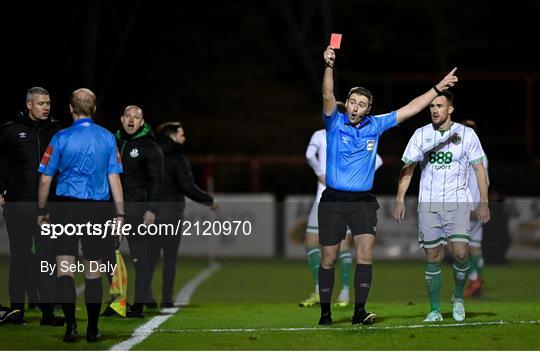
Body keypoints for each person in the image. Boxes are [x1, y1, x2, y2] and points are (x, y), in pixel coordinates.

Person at [318, 45, 458, 326]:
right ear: (347, 103)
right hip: (333, 200)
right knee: (329, 259)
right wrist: (329, 65)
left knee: (366, 254)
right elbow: (327, 94)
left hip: (363, 202)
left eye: (361, 104)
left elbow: (412, 108)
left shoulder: (376, 125)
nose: (356, 107)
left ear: (369, 109)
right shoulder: (334, 123)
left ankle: (359, 312)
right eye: (353, 102)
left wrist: (437, 88)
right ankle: (325, 313)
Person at [393, 91, 490, 322]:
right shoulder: (421, 134)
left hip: (457, 204)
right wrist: (399, 199)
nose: (435, 110)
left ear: (450, 109)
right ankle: (434, 309)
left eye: (439, 106)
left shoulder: (467, 134)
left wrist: (483, 202)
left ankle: (458, 298)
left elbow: (479, 169)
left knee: (460, 253)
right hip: (428, 205)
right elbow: (408, 168)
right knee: (433, 256)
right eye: (432, 106)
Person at [37, 88, 124, 342]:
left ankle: (71, 327)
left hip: (65, 207)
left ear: (71, 109)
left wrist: (42, 210)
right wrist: (120, 214)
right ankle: (93, 329)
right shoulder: (107, 137)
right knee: (93, 268)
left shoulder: (60, 137)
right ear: (93, 110)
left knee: (64, 267)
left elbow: (45, 179)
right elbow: (114, 178)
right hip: (97, 209)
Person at [300, 121, 383, 308]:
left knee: (321, 245)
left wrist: (321, 174)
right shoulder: (346, 135)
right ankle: (339, 292)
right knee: (335, 246)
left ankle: (326, 290)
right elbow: (377, 160)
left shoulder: (323, 134)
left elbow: (308, 155)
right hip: (333, 197)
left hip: (332, 197)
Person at [0, 87, 64, 325]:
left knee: (47, 259)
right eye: (40, 103)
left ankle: (48, 314)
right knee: (19, 258)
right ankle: (16, 311)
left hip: (50, 210)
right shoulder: (10, 131)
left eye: (48, 103)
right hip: (18, 206)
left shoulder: (57, 132)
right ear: (29, 105)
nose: (46, 107)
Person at [148, 122, 217, 308]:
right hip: (171, 215)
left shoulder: (150, 155)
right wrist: (209, 200)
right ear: (172, 136)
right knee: (170, 258)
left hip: (150, 215)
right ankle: (167, 298)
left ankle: (144, 294)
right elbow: (187, 187)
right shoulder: (178, 159)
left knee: (150, 257)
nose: (184, 138)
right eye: (181, 134)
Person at [107, 105, 163, 317]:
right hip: (112, 211)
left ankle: (138, 306)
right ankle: (116, 304)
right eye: (128, 116)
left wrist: (151, 209)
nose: (131, 120)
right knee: (107, 258)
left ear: (142, 122)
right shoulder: (112, 142)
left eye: (136, 117)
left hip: (136, 211)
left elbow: (156, 182)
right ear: (122, 119)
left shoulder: (150, 147)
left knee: (140, 260)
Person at [461, 119, 489, 298]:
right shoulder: (481, 153)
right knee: (476, 246)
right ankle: (477, 277)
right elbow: (486, 181)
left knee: (458, 246)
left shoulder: (470, 153)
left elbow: (474, 181)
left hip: (469, 205)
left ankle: (474, 278)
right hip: (479, 204)